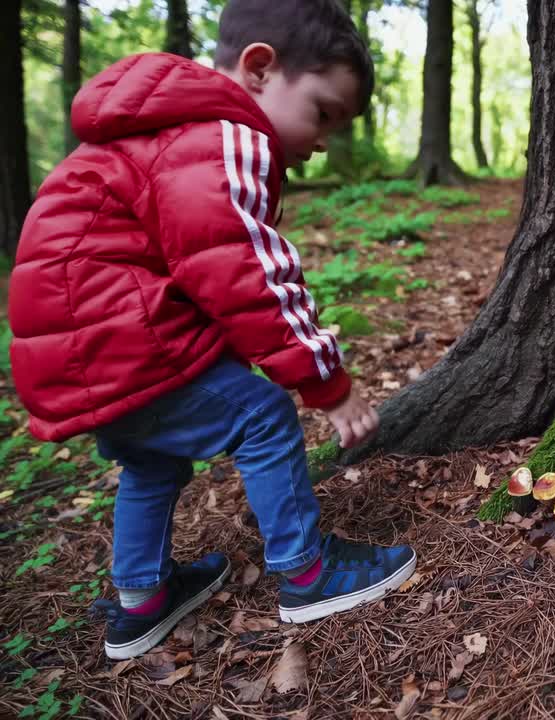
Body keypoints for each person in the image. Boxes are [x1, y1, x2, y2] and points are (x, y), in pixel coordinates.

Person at [6, 0, 416, 660]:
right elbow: (244, 273)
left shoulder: (163, 131)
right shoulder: (225, 136)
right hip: (116, 339)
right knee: (262, 417)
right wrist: (327, 383)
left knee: (152, 459)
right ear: (259, 69)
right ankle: (307, 574)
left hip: (83, 351)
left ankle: (142, 601)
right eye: (322, 113)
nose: (321, 145)